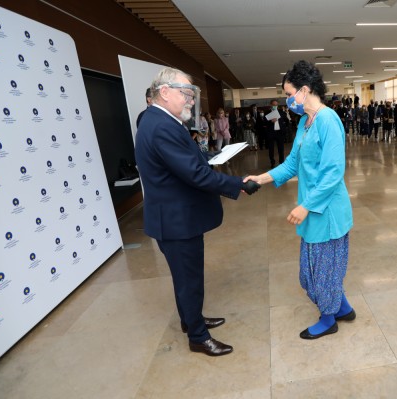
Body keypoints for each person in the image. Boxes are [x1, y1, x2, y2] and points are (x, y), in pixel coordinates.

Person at [134, 67, 260, 357]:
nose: (191, 100)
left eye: (192, 95)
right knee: (189, 279)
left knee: (185, 278)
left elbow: (186, 159)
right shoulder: (161, 125)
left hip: (176, 218)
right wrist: (236, 183)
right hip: (177, 221)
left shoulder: (161, 121)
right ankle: (198, 337)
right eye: (186, 94)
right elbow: (195, 175)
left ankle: (191, 320)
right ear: (165, 93)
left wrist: (210, 156)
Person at [244, 60, 354, 340]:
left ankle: (329, 318)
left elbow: (333, 173)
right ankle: (342, 306)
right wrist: (261, 178)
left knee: (322, 272)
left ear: (305, 91)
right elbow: (292, 163)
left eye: (290, 93)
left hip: (326, 210)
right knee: (312, 272)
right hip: (312, 207)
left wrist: (306, 205)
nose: (288, 100)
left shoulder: (328, 120)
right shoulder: (306, 122)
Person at [266, 99, 288, 167]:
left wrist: (283, 126)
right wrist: (270, 121)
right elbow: (264, 123)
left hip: (280, 133)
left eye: (276, 105)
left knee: (281, 149)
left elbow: (286, 120)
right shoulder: (267, 113)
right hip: (271, 133)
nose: (275, 106)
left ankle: (281, 163)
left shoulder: (281, 112)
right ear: (271, 105)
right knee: (271, 149)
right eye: (273, 105)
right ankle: (272, 162)